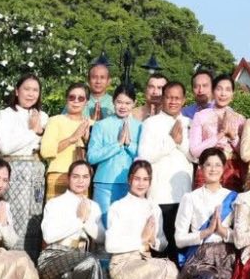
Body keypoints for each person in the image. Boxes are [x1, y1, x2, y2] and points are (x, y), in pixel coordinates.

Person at [105, 160, 183, 279]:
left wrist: (153, 240)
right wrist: (141, 239)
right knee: (167, 270)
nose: (141, 184)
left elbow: (162, 243)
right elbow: (110, 245)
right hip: (123, 265)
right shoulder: (117, 207)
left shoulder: (154, 208)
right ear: (129, 180)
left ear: (150, 181)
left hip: (146, 261)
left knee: (171, 268)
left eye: (145, 179)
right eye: (137, 179)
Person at [38, 160, 112, 279]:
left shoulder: (94, 206)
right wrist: (78, 221)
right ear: (68, 178)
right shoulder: (55, 204)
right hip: (54, 258)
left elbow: (102, 238)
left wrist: (86, 221)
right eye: (76, 176)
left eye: (85, 177)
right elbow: (48, 236)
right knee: (90, 262)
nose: (80, 181)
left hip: (83, 259)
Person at [175, 148, 238, 279]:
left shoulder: (233, 198)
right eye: (208, 164)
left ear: (224, 168)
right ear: (201, 168)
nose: (213, 169)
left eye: (218, 165)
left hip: (225, 257)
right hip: (200, 257)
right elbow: (179, 239)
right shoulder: (191, 198)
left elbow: (239, 237)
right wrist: (206, 232)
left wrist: (222, 231)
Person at [0, 74, 49, 260]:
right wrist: (34, 132)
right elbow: (6, 146)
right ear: (17, 91)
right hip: (13, 172)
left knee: (34, 221)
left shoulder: (43, 116)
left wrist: (39, 132)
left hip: (36, 173)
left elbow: (46, 146)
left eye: (35, 90)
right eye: (26, 89)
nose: (31, 94)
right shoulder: (4, 115)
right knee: (12, 221)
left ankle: (30, 272)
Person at [138, 80, 193, 263]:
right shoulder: (151, 123)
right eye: (169, 97)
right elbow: (144, 156)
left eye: (177, 98)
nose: (173, 101)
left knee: (180, 248)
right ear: (162, 99)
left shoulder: (189, 123)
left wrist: (180, 141)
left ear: (184, 100)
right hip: (159, 194)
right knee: (160, 247)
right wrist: (170, 142)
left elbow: (196, 156)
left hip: (184, 194)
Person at [87, 84, 142, 224]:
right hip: (104, 182)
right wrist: (117, 144)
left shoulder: (140, 126)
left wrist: (129, 143)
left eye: (127, 103)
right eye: (119, 102)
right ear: (113, 102)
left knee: (125, 226)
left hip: (131, 184)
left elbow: (143, 156)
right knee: (103, 226)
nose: (123, 106)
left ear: (134, 103)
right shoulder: (101, 125)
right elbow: (92, 157)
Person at [189, 75, 245, 191]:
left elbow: (243, 153)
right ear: (213, 91)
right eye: (219, 89)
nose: (223, 94)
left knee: (229, 208)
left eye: (228, 90)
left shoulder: (239, 119)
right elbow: (194, 151)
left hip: (232, 172)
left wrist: (233, 136)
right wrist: (219, 135)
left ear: (233, 95)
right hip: (207, 169)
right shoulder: (200, 116)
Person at [41, 83, 93, 199]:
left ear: (87, 102)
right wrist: (72, 138)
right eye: (72, 97)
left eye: (80, 98)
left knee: (80, 215)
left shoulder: (91, 124)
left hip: (82, 178)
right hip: (58, 175)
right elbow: (45, 152)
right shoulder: (55, 121)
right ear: (66, 99)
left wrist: (87, 140)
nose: (76, 101)